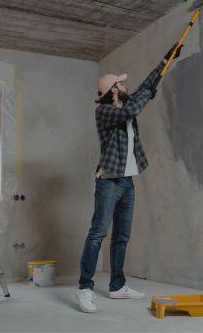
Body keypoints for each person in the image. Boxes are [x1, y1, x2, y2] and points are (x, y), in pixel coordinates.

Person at [76, 44, 181, 313]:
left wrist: (165, 59)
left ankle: (117, 286)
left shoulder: (126, 101)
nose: (125, 86)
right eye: (121, 84)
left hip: (127, 181)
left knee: (122, 236)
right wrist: (147, 94)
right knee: (98, 233)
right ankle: (85, 288)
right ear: (114, 90)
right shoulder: (105, 112)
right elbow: (130, 111)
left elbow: (146, 86)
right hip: (108, 180)